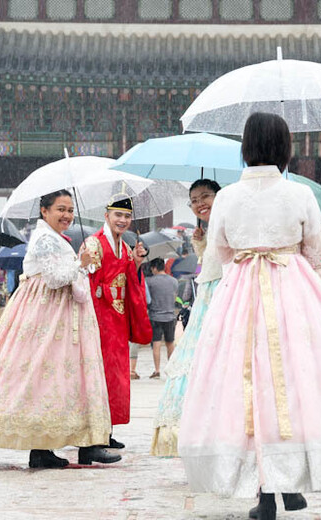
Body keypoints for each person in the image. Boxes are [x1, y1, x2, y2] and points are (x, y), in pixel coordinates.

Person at [178, 113, 321, 520]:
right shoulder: (300, 195)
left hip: (240, 296)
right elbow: (319, 254)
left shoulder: (229, 198)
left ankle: (266, 492)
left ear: (246, 147)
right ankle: (291, 481)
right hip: (294, 293)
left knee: (246, 387)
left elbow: (218, 258)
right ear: (285, 148)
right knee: (296, 382)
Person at [0, 190, 119, 468]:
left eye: (70, 210)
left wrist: (81, 266)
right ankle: (51, 446)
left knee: (64, 376)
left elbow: (66, 274)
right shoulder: (45, 238)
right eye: (60, 209)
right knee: (48, 375)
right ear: (44, 211)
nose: (67, 215)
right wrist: (79, 264)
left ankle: (78, 442)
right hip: (48, 314)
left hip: (62, 313)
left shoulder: (55, 238)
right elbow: (55, 278)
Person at [152, 178, 222, 457]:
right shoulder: (208, 226)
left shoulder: (226, 220)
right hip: (208, 289)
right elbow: (211, 258)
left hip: (224, 288)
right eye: (193, 200)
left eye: (205, 196)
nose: (199, 204)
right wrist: (201, 243)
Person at [83, 195, 152, 450]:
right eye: (118, 215)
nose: (122, 220)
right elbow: (88, 280)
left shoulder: (124, 246)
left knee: (115, 376)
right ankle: (94, 435)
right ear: (106, 216)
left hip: (118, 318)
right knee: (98, 375)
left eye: (126, 216)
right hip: (99, 317)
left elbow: (129, 279)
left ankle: (107, 429)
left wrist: (136, 263)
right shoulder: (94, 243)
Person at [146, 257, 178, 379]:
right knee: (170, 343)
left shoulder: (149, 281)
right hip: (170, 315)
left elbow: (147, 298)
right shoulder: (174, 281)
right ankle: (170, 368)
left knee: (156, 344)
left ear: (154, 268)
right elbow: (175, 296)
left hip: (155, 316)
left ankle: (157, 370)